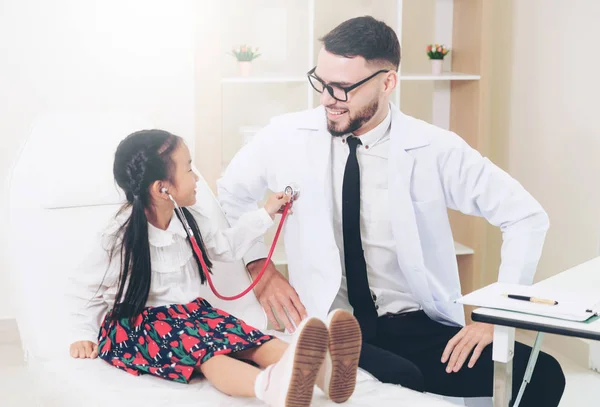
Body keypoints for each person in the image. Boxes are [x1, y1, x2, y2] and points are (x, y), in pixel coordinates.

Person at [217, 16, 565, 406]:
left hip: (415, 321)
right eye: (322, 82)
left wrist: (495, 318)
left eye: (345, 88)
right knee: (402, 379)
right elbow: (230, 194)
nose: (329, 98)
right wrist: (259, 267)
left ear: (387, 82)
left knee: (543, 375)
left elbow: (525, 216)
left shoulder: (434, 148)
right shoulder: (286, 136)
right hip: (334, 323)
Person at [66, 129, 363, 407]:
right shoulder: (117, 237)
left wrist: (265, 214)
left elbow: (226, 246)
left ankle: (327, 374)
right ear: (162, 189)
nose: (196, 177)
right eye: (189, 169)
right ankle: (271, 386)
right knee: (209, 355)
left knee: (247, 339)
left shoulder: (188, 219)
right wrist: (83, 334)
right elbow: (84, 289)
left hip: (191, 314)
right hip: (141, 327)